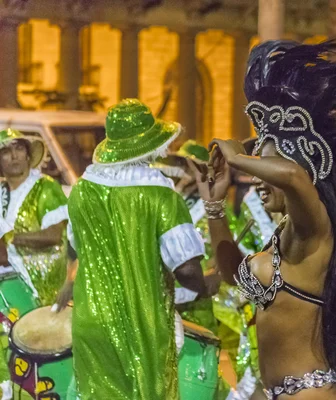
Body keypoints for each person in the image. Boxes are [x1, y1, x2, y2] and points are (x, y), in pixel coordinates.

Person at [188, 40, 336, 399]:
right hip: (274, 391)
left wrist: (239, 158)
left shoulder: (315, 230)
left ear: (298, 164)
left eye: (264, 165)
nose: (256, 179)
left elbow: (294, 178)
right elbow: (233, 275)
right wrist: (214, 206)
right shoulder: (285, 234)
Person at [63, 99, 213, 399]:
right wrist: (206, 285)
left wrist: (67, 284)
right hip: (142, 324)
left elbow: (74, 247)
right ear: (151, 145)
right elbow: (186, 270)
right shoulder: (161, 196)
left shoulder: (81, 190)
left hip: (90, 320)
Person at [0, 128, 69, 398]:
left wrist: (11, 239)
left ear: (29, 156)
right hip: (8, 287)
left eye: (19, 148)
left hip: (39, 288)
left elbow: (54, 235)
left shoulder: (46, 188)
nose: (14, 155)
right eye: (6, 151)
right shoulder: (1, 193)